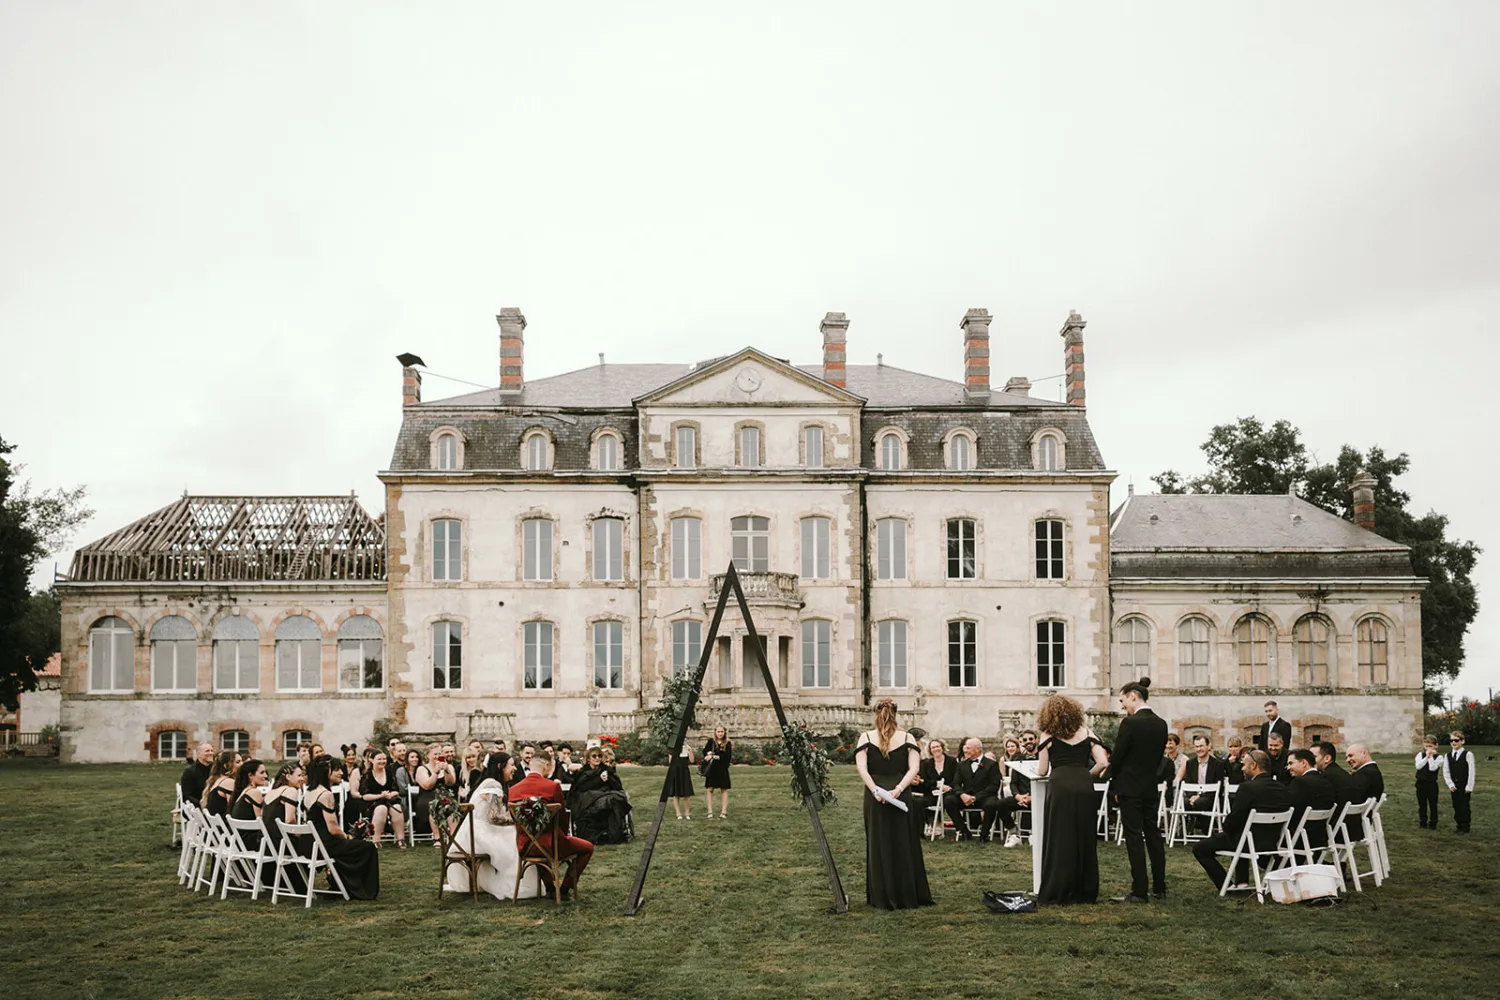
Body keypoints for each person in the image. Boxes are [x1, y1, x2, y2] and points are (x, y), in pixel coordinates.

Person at [854, 699, 932, 910]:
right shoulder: (908, 738)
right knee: (904, 843)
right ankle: (908, 894)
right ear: (896, 714)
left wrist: (875, 791)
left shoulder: (866, 737)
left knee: (879, 844)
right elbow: (914, 769)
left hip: (875, 795)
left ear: (875, 714)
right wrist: (897, 790)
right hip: (901, 794)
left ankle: (881, 895)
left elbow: (862, 769)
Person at [1035, 695, 1109, 905]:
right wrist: (1088, 774)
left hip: (1060, 786)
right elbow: (1103, 762)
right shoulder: (1087, 733)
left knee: (1060, 837)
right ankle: (1085, 890)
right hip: (1084, 785)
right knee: (1084, 836)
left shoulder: (1047, 735)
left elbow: (1042, 770)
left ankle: (1059, 889)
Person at [445, 752, 544, 900]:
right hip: (478, 835)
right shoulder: (493, 784)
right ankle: (520, 886)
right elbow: (494, 817)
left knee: (512, 834)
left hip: (471, 833)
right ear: (500, 766)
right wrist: (519, 821)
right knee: (515, 839)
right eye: (511, 765)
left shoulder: (487, 782)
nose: (515, 769)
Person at [1192, 750, 1291, 892]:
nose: (1242, 769)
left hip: (1248, 842)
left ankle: (1227, 885)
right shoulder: (1281, 788)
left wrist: (1224, 829)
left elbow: (1234, 819)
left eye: (1244, 765)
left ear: (1253, 766)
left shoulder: (1247, 788)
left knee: (1200, 848)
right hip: (1271, 841)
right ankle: (1242, 882)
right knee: (1242, 832)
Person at [1109, 677, 1168, 903]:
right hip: (1150, 787)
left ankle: (1140, 890)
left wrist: (1110, 775)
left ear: (1133, 696)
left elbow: (1119, 757)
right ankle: (1160, 887)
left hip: (1130, 788)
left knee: (1134, 838)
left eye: (1123, 700)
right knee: (1154, 836)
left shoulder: (1130, 724)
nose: (1122, 706)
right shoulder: (1161, 723)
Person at [508, 749, 593, 900]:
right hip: (551, 844)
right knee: (587, 848)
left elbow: (516, 821)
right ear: (546, 765)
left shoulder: (513, 790)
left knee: (535, 838)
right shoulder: (552, 787)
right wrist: (563, 834)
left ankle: (549, 887)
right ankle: (566, 888)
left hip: (525, 846)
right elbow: (562, 820)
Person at [304, 755, 380, 899]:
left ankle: (342, 883)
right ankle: (361, 889)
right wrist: (348, 837)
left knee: (354, 846)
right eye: (337, 770)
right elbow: (333, 829)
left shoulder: (309, 791)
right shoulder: (325, 794)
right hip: (325, 844)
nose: (341, 773)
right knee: (367, 847)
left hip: (311, 842)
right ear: (326, 772)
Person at [569, 747, 633, 843]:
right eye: (594, 756)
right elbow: (581, 787)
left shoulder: (606, 769)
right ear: (589, 759)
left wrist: (608, 778)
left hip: (605, 797)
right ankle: (606, 834)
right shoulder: (583, 772)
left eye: (599, 756)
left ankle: (614, 833)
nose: (597, 758)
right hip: (588, 799)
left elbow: (618, 786)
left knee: (615, 799)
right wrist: (599, 780)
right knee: (611, 800)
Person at [955, 737, 1004, 842]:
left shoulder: (991, 764)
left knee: (991, 804)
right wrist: (962, 794)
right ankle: (964, 831)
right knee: (949, 801)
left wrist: (976, 797)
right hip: (966, 797)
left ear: (978, 749)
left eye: (968, 748)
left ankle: (984, 835)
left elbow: (994, 786)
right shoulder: (961, 765)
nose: (965, 751)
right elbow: (956, 783)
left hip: (984, 797)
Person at [913, 738, 964, 837]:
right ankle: (919, 833)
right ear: (930, 750)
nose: (935, 749)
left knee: (950, 801)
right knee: (917, 802)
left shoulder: (952, 761)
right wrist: (937, 785)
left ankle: (962, 830)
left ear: (942, 748)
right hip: (932, 793)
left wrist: (948, 787)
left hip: (948, 793)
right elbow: (923, 781)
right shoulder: (926, 764)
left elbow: (957, 779)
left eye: (937, 746)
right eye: (933, 747)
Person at [1286, 749, 1335, 848]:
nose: (1288, 768)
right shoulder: (1326, 782)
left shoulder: (1300, 782)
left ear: (1304, 763)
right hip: (1320, 836)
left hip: (1301, 838)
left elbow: (1290, 807)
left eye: (1291, 763)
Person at [1180, 734, 1226, 832]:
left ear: (1208, 746)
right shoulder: (1190, 763)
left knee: (1200, 802)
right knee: (1183, 802)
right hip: (1193, 796)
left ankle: (1200, 825)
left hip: (1210, 797)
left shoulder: (1218, 764)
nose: (1198, 749)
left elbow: (1219, 786)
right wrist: (1192, 796)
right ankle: (1192, 823)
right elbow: (1188, 783)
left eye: (1201, 746)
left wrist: (1199, 796)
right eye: (1196, 746)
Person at [360, 751, 406, 848]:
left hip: (389, 800)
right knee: (381, 809)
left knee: (396, 807)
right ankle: (375, 840)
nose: (382, 761)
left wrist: (389, 795)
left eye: (384, 759)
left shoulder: (390, 773)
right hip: (373, 802)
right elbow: (364, 796)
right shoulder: (367, 775)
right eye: (379, 759)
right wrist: (380, 796)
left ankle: (400, 840)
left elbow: (396, 790)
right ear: (371, 760)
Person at [1442, 730, 1475, 834]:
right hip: (1454, 785)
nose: (1453, 743)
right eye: (1451, 741)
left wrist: (1469, 786)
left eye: (1456, 740)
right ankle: (1459, 825)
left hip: (1464, 785)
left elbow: (1471, 771)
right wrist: (1450, 784)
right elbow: (1446, 771)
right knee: (1456, 805)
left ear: (1462, 741)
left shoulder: (1468, 754)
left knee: (1464, 806)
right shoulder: (1447, 756)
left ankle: (1465, 827)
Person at [229, 758, 269, 837]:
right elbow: (261, 821)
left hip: (239, 840)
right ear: (250, 775)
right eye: (262, 773)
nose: (266, 776)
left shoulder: (244, 791)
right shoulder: (254, 792)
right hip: (250, 841)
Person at [702, 726, 733, 819]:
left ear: (724, 732)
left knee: (724, 789)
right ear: (715, 732)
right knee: (710, 789)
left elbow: (726, 758)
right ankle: (710, 812)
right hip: (712, 769)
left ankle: (724, 812)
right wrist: (708, 754)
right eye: (718, 731)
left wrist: (714, 756)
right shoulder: (711, 742)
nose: (720, 733)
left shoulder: (727, 743)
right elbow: (704, 752)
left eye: (722, 731)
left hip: (722, 769)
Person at [1415, 735, 1443, 829]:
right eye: (1426, 746)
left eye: (1430, 746)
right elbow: (1418, 766)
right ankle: (1422, 821)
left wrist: (1431, 757)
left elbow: (1432, 768)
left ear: (1436, 746)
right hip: (1421, 782)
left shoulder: (1439, 757)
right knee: (1422, 803)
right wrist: (1426, 757)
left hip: (1431, 783)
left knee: (1433, 804)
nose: (1428, 748)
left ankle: (1433, 823)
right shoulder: (1420, 755)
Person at [201, 750, 239, 816]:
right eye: (238, 762)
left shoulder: (217, 779)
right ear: (226, 766)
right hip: (223, 824)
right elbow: (235, 809)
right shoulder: (228, 782)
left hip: (215, 823)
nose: (242, 764)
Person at [665, 742, 696, 820]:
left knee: (687, 793)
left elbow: (692, 760)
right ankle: (678, 813)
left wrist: (690, 751)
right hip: (676, 771)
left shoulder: (687, 747)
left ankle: (687, 813)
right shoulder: (672, 748)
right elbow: (670, 762)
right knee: (676, 793)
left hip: (685, 771)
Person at [180, 742, 214, 806]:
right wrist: (201, 804)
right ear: (198, 754)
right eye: (207, 751)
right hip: (197, 806)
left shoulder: (215, 770)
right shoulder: (190, 772)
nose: (211, 753)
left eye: (212, 751)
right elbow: (186, 795)